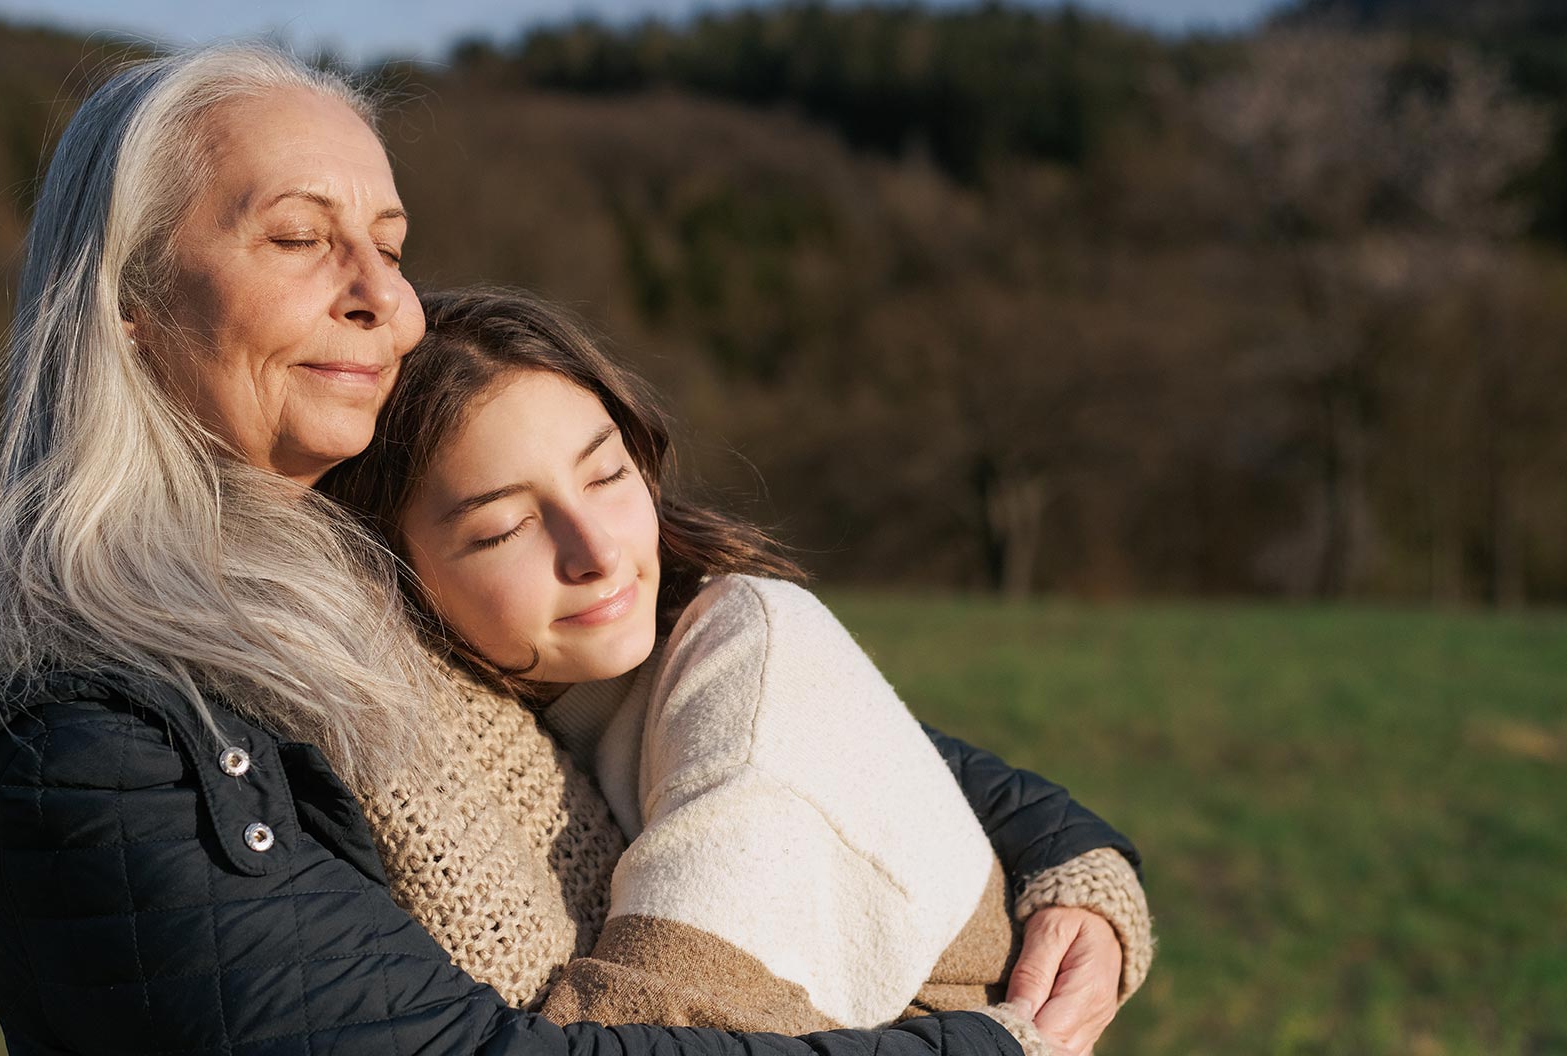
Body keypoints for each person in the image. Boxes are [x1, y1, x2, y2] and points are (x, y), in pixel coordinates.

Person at [0, 44, 1150, 1056]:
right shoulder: (91, 737)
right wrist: (990, 1048)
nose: (382, 300)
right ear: (125, 309)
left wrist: (1066, 862)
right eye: (298, 239)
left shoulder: (347, 561)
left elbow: (758, 717)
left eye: (390, 246)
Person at [319, 288, 1154, 1038]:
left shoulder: (749, 666)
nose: (598, 552)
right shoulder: (540, 705)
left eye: (608, 475)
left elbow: (647, 1029)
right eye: (505, 528)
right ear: (388, 570)